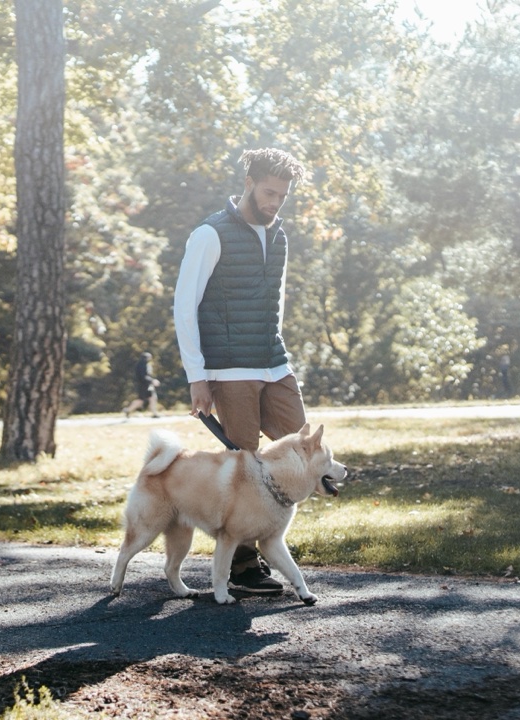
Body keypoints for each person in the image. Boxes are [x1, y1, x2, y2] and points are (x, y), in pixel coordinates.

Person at [172, 147, 308, 597]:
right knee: (243, 461)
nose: (275, 202)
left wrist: (278, 347)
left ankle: (268, 535)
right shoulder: (211, 234)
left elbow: (276, 299)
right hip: (229, 368)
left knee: (303, 443)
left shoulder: (280, 235)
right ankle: (243, 565)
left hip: (273, 359)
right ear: (249, 182)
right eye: (269, 192)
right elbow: (184, 306)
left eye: (282, 196)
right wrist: (198, 376)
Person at [123, 352, 160, 418]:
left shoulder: (144, 364)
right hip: (144, 385)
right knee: (141, 400)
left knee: (152, 397)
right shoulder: (142, 365)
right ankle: (128, 410)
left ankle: (154, 413)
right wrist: (152, 380)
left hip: (148, 385)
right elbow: (143, 376)